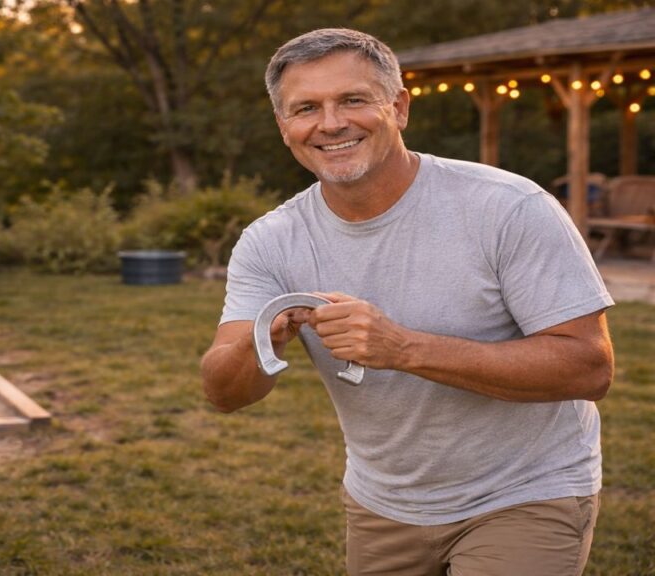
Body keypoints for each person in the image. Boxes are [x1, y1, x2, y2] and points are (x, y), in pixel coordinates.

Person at [200, 28, 614, 576]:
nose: (330, 123)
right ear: (285, 128)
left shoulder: (508, 207)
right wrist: (260, 343)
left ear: (397, 107)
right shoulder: (271, 240)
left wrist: (403, 348)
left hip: (524, 491)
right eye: (306, 108)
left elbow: (589, 368)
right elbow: (223, 393)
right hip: (383, 503)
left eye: (352, 99)